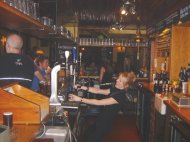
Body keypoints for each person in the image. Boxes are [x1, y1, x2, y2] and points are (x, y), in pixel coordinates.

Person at [69, 72, 136, 142]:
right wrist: (82, 87)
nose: (117, 80)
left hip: (104, 125)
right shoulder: (116, 89)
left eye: (120, 81)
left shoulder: (120, 96)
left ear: (126, 85)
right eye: (118, 78)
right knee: (87, 134)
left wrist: (79, 99)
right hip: (100, 120)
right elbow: (98, 91)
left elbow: (98, 102)